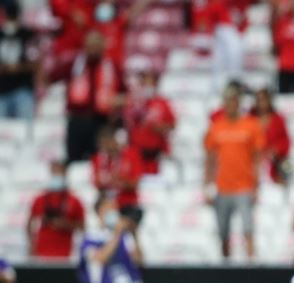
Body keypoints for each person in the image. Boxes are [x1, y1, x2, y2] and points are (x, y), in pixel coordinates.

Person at [204, 84, 265, 260]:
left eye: (233, 100)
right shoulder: (216, 127)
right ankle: (226, 266)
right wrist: (207, 185)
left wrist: (256, 186)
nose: (230, 104)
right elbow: (210, 159)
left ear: (238, 103)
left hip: (244, 186)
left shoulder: (251, 125)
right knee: (223, 232)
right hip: (223, 187)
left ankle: (251, 265)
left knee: (248, 228)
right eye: (227, 101)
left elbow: (257, 159)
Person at [49, 31, 126, 163]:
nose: (93, 49)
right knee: (74, 160)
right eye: (90, 45)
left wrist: (118, 100)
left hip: (101, 122)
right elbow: (52, 76)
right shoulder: (74, 64)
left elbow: (124, 93)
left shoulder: (111, 66)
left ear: (103, 46)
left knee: (100, 160)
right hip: (77, 120)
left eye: (96, 45)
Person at [79, 194, 143, 283]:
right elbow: (100, 259)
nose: (112, 212)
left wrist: (134, 233)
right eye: (108, 208)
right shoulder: (90, 237)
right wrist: (117, 234)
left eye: (114, 208)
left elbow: (138, 261)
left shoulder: (125, 237)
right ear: (99, 211)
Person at [27, 161, 86, 260]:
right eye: (54, 172)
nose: (56, 175)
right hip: (41, 253)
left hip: (65, 254)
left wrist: (66, 224)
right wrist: (32, 245)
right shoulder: (40, 199)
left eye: (59, 172)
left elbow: (82, 227)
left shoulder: (74, 200)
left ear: (65, 174)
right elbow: (29, 224)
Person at [126, 70, 177, 174]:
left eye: (150, 82)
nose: (147, 85)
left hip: (155, 153)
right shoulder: (134, 102)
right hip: (137, 152)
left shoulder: (162, 103)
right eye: (144, 82)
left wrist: (161, 127)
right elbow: (127, 124)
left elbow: (172, 124)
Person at [91, 126, 143, 220]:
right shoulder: (98, 159)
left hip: (127, 202)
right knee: (105, 206)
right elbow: (96, 182)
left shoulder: (131, 155)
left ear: (114, 141)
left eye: (107, 143)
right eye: (103, 145)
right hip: (105, 200)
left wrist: (119, 180)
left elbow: (135, 184)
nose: (105, 148)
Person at [0, 1, 37, 120]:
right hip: (2, 91)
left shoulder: (27, 34)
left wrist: (17, 67)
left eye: (13, 14)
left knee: (27, 133)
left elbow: (36, 62)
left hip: (23, 90)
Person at [252, 88, 291, 184]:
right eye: (259, 100)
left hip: (274, 160)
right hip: (254, 158)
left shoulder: (278, 119)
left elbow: (285, 140)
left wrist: (276, 150)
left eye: (264, 99)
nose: (262, 103)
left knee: (285, 165)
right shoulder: (249, 119)